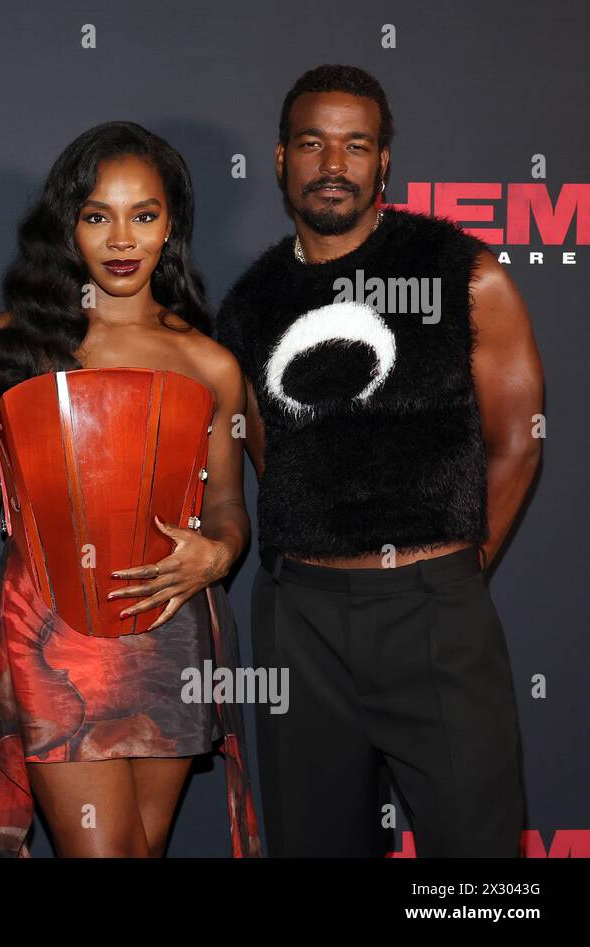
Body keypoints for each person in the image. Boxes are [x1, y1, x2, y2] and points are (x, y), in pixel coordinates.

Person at [216, 64, 542, 857]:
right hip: (299, 622)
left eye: (356, 145)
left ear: (384, 161)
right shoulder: (249, 303)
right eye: (312, 144)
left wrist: (453, 569)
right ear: (280, 159)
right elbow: (271, 454)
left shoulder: (463, 271)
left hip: (434, 612)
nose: (334, 165)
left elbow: (518, 437)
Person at [0, 121, 261, 858]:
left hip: (170, 626)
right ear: (68, 226)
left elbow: (228, 510)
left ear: (171, 226)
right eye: (98, 215)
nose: (122, 239)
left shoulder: (209, 363)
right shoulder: (8, 344)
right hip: (50, 635)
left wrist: (216, 556)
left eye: (143, 215)